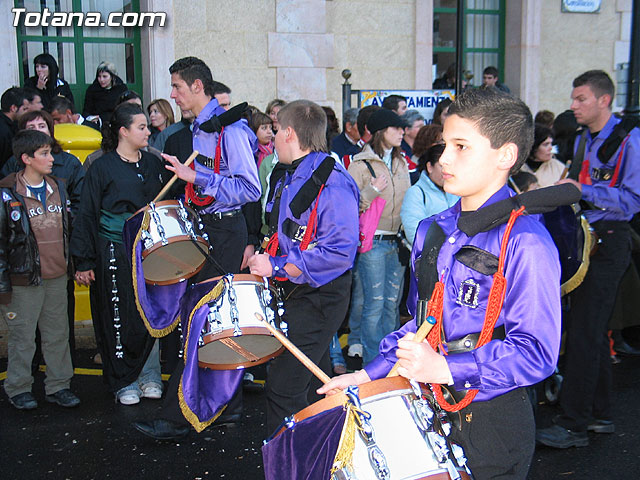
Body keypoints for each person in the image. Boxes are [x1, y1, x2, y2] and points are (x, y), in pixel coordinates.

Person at [320, 87, 562, 479]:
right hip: (428, 405)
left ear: (506, 156)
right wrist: (366, 375)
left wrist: (448, 368)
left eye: (461, 146)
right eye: (445, 143)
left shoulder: (526, 241)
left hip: (491, 423)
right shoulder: (434, 229)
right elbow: (421, 323)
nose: (444, 157)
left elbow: (536, 352)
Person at [133, 56, 260, 440]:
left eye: (177, 87)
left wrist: (198, 176)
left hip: (224, 232)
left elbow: (250, 189)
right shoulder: (199, 128)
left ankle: (180, 416)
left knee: (203, 320)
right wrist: (191, 178)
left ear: (197, 87)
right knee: (209, 321)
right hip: (207, 229)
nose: (172, 94)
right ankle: (224, 407)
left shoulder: (231, 130)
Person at [536, 70, 640, 449]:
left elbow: (632, 200)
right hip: (585, 240)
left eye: (581, 98)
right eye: (573, 98)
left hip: (610, 241)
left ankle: (573, 424)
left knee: (584, 333)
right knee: (589, 331)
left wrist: (584, 190)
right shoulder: (582, 139)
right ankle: (598, 414)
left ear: (604, 100)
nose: (573, 105)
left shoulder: (629, 139)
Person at [246, 100, 359, 433]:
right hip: (301, 292)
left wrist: (276, 265)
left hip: (319, 298)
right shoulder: (296, 172)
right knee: (314, 388)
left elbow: (338, 253)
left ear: (290, 133)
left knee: (284, 388)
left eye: (277, 130)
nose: (273, 137)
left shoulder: (332, 181)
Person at [71, 102, 167, 405]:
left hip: (149, 252)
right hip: (113, 249)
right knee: (118, 314)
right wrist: (84, 260)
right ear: (123, 131)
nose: (148, 130)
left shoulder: (153, 164)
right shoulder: (101, 167)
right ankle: (123, 380)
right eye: (141, 126)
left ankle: (149, 375)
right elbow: (86, 214)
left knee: (150, 313)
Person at [0, 129, 80, 410]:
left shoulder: (58, 186)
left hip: (57, 276)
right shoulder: (8, 193)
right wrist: (3, 284)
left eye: (50, 152)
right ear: (26, 158)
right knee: (22, 336)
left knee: (57, 334)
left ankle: (59, 385)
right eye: (44, 153)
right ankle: (18, 387)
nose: (51, 158)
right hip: (24, 279)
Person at [347, 108, 411, 366]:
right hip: (373, 243)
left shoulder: (401, 162)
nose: (402, 132)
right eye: (396, 128)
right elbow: (349, 206)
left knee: (391, 305)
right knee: (374, 304)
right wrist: (372, 190)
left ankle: (390, 362)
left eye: (402, 128)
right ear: (381, 132)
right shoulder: (359, 164)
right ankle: (373, 365)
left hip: (398, 241)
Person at [400, 143, 458, 244]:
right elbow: (414, 233)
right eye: (442, 166)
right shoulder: (416, 193)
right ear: (429, 167)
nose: (447, 171)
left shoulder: (458, 191)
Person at [82, 61, 128, 126]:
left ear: (112, 76)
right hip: (97, 124)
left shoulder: (121, 89)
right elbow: (86, 111)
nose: (101, 80)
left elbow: (125, 109)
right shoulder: (92, 90)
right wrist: (91, 118)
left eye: (105, 76)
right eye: (99, 76)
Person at [0, 88, 29, 169]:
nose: (27, 112)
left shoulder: (12, 125)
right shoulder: (4, 132)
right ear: (13, 108)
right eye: (25, 109)